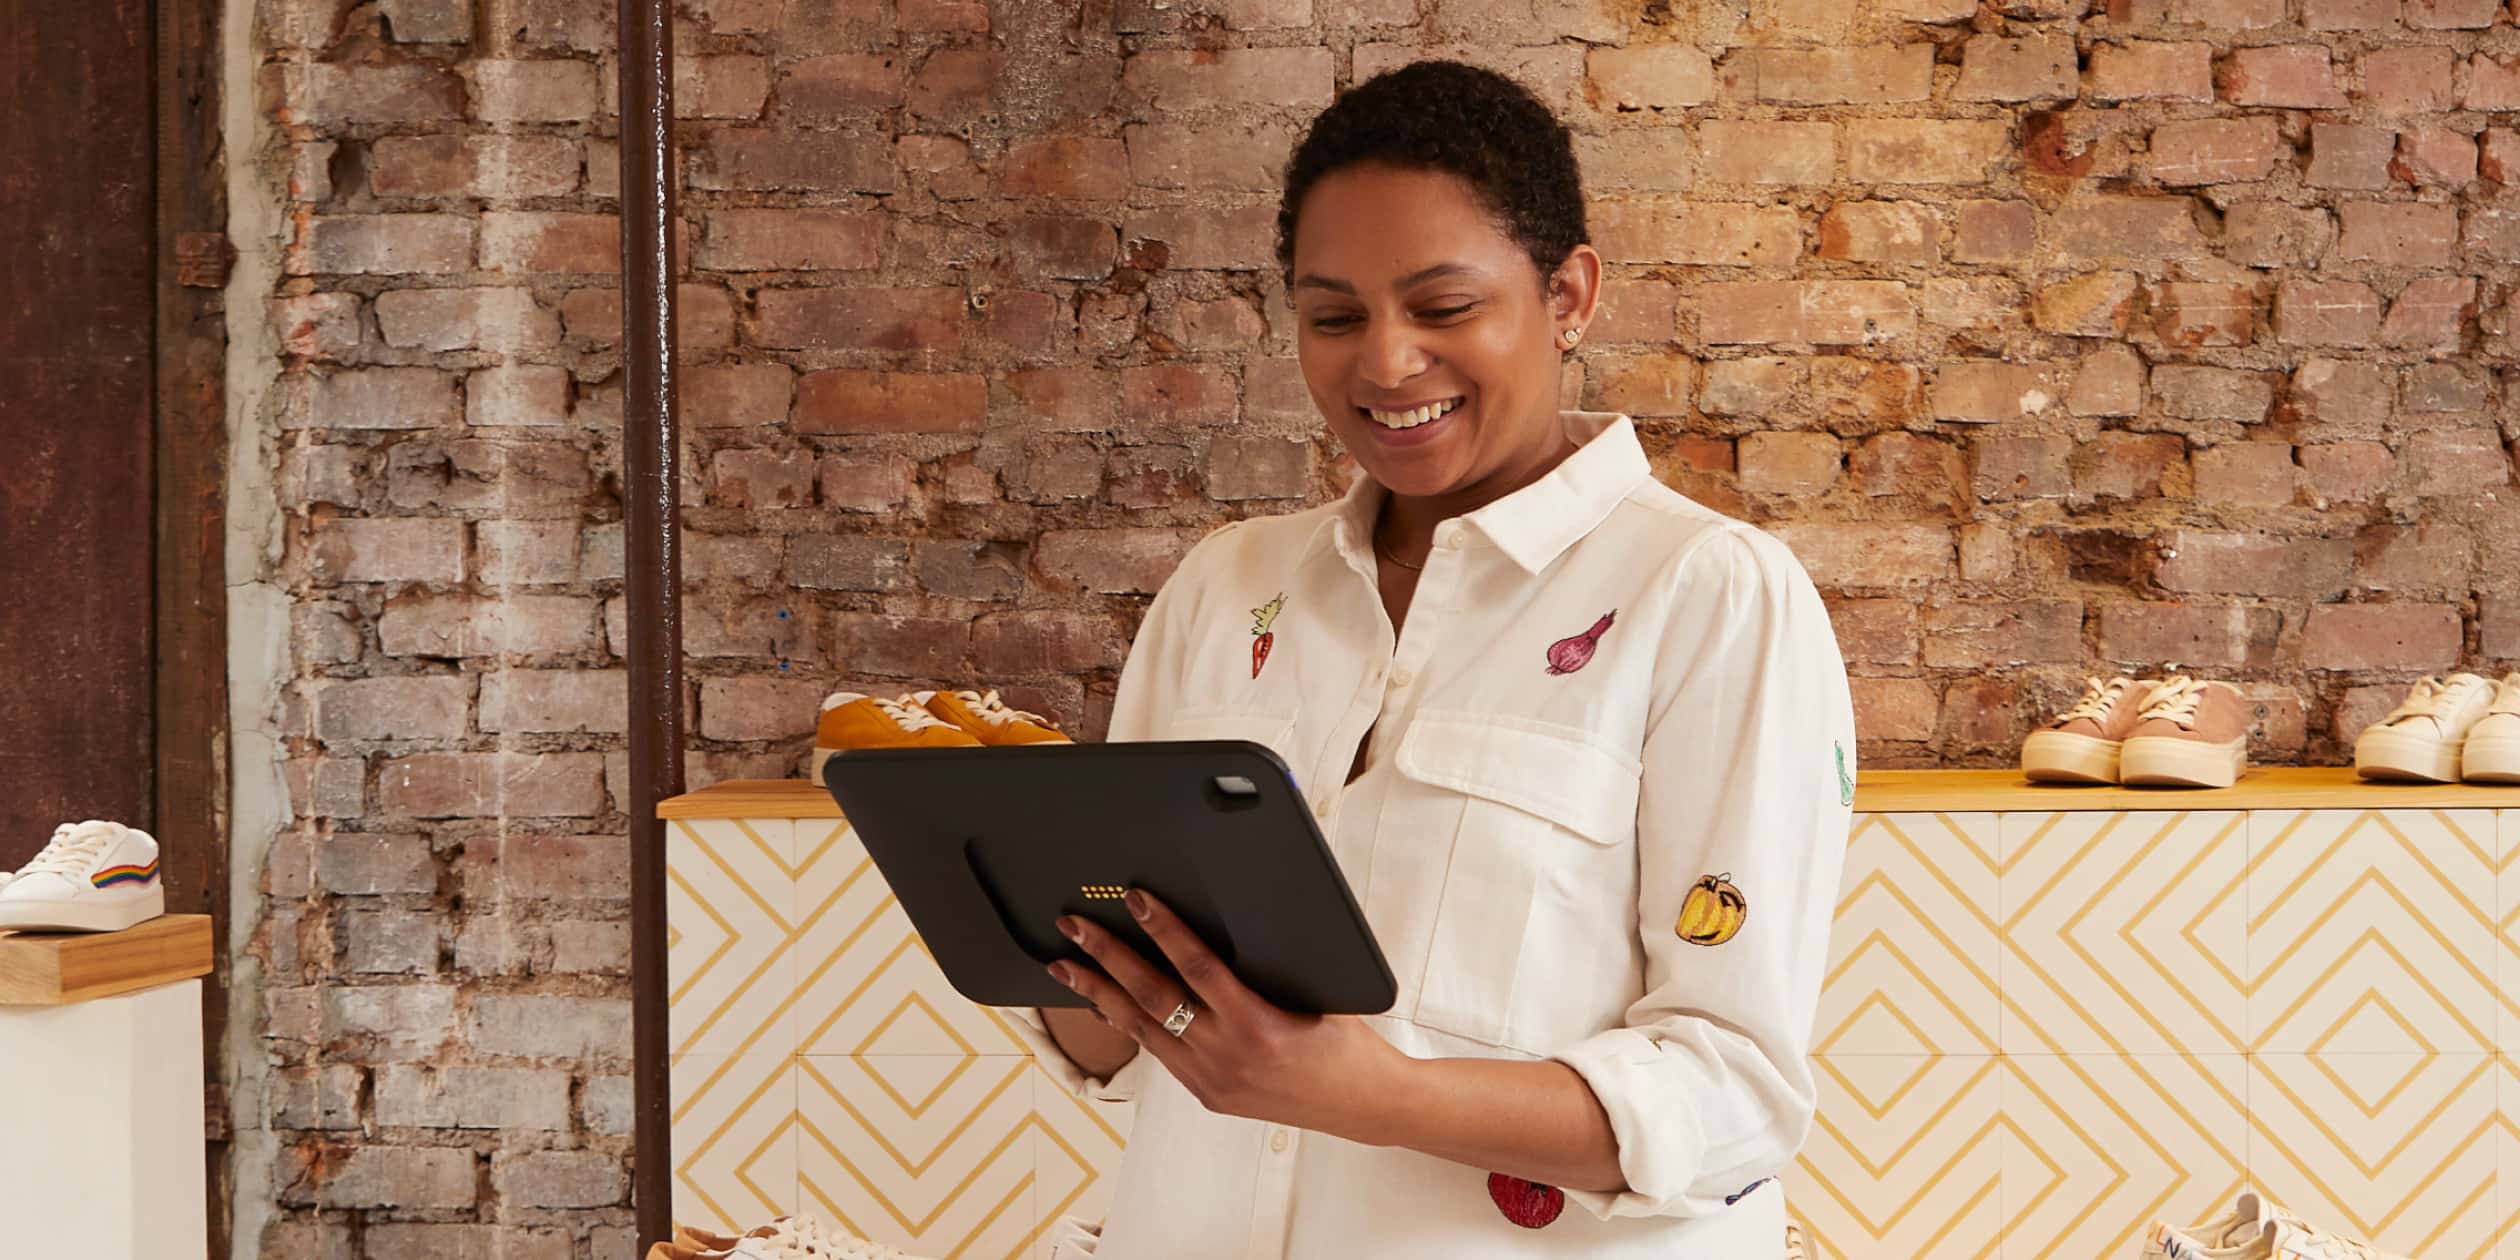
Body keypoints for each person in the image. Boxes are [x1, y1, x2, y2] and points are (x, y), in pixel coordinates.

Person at [1007, 59, 1855, 1258]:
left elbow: (1735, 1096)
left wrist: (1369, 1092)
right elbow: (1119, 1039)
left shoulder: (1708, 596)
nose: (1386, 365)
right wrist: (1048, 935)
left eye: (1444, 308)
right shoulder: (1228, 589)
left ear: (1568, 296)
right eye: (1334, 315)